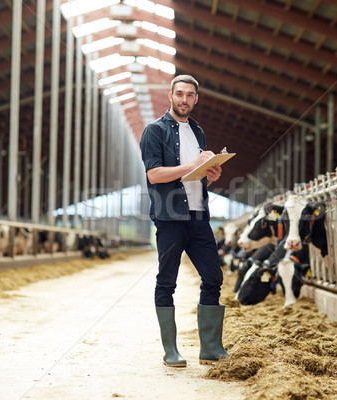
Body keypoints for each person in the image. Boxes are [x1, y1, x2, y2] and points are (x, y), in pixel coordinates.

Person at [139, 74, 229, 367]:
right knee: (167, 281)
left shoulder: (198, 132)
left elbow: (195, 176)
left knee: (214, 277)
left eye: (190, 95)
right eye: (180, 94)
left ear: (196, 99)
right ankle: (171, 352)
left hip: (198, 216)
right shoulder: (154, 131)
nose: (184, 99)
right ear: (170, 96)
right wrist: (191, 165)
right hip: (170, 218)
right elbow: (154, 175)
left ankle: (211, 348)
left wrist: (210, 173)